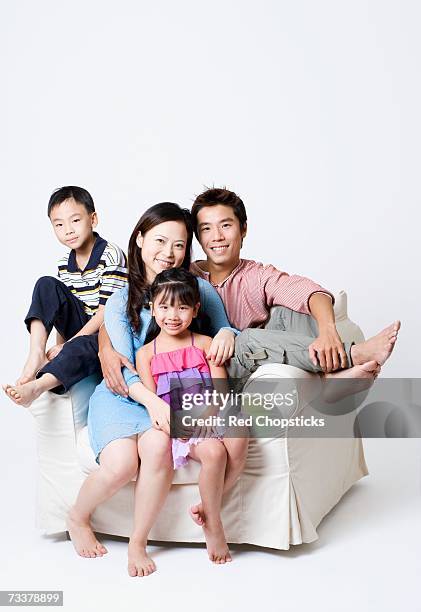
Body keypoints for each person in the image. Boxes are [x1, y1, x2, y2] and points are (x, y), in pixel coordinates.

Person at [67, 202, 244, 577]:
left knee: (159, 446)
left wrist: (226, 333)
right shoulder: (120, 300)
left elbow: (225, 329)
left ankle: (137, 541)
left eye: (179, 245)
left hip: (171, 397)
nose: (169, 253)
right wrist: (152, 403)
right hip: (126, 396)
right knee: (121, 465)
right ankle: (78, 517)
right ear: (140, 239)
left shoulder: (197, 288)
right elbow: (127, 368)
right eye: (160, 241)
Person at [190, 187, 401, 384]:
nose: (217, 236)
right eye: (206, 229)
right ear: (198, 237)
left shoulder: (257, 275)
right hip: (219, 367)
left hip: (259, 356)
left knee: (287, 311)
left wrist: (328, 330)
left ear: (243, 228)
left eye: (226, 225)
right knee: (246, 339)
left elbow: (309, 292)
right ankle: (354, 354)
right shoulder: (188, 278)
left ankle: (330, 374)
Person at [136, 267, 246, 564]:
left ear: (196, 309)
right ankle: (214, 524)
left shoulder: (206, 343)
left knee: (238, 431)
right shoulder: (146, 354)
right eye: (164, 306)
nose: (173, 315)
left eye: (182, 307)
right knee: (213, 453)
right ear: (152, 307)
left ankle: (209, 507)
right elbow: (154, 403)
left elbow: (221, 393)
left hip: (210, 414)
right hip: (179, 425)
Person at [3, 186, 127, 407]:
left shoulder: (110, 254)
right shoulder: (64, 263)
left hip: (105, 333)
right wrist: (59, 346)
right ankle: (35, 354)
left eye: (75, 221)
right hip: (81, 327)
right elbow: (64, 312)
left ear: (93, 219)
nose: (68, 230)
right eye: (59, 225)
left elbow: (106, 312)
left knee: (83, 345)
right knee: (46, 283)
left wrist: (68, 346)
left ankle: (37, 387)